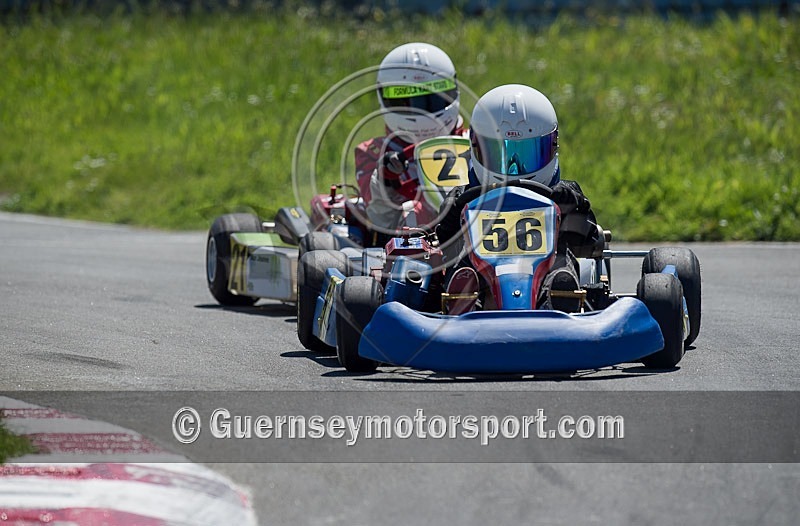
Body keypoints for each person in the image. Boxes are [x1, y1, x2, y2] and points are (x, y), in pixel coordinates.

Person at [435, 84, 602, 312]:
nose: (514, 169)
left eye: (527, 154)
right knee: (462, 266)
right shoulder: (461, 197)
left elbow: (589, 243)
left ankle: (560, 296)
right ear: (475, 146)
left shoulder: (565, 194)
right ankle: (464, 303)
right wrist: (456, 213)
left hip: (546, 272)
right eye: (500, 154)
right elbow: (442, 245)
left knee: (561, 260)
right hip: (480, 277)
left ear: (552, 147)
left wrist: (573, 209)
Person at [354, 42, 468, 245]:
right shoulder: (374, 152)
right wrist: (386, 177)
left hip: (475, 228)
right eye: (408, 102)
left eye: (433, 99)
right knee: (412, 211)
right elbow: (380, 216)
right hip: (411, 244)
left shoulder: (476, 142)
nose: (422, 111)